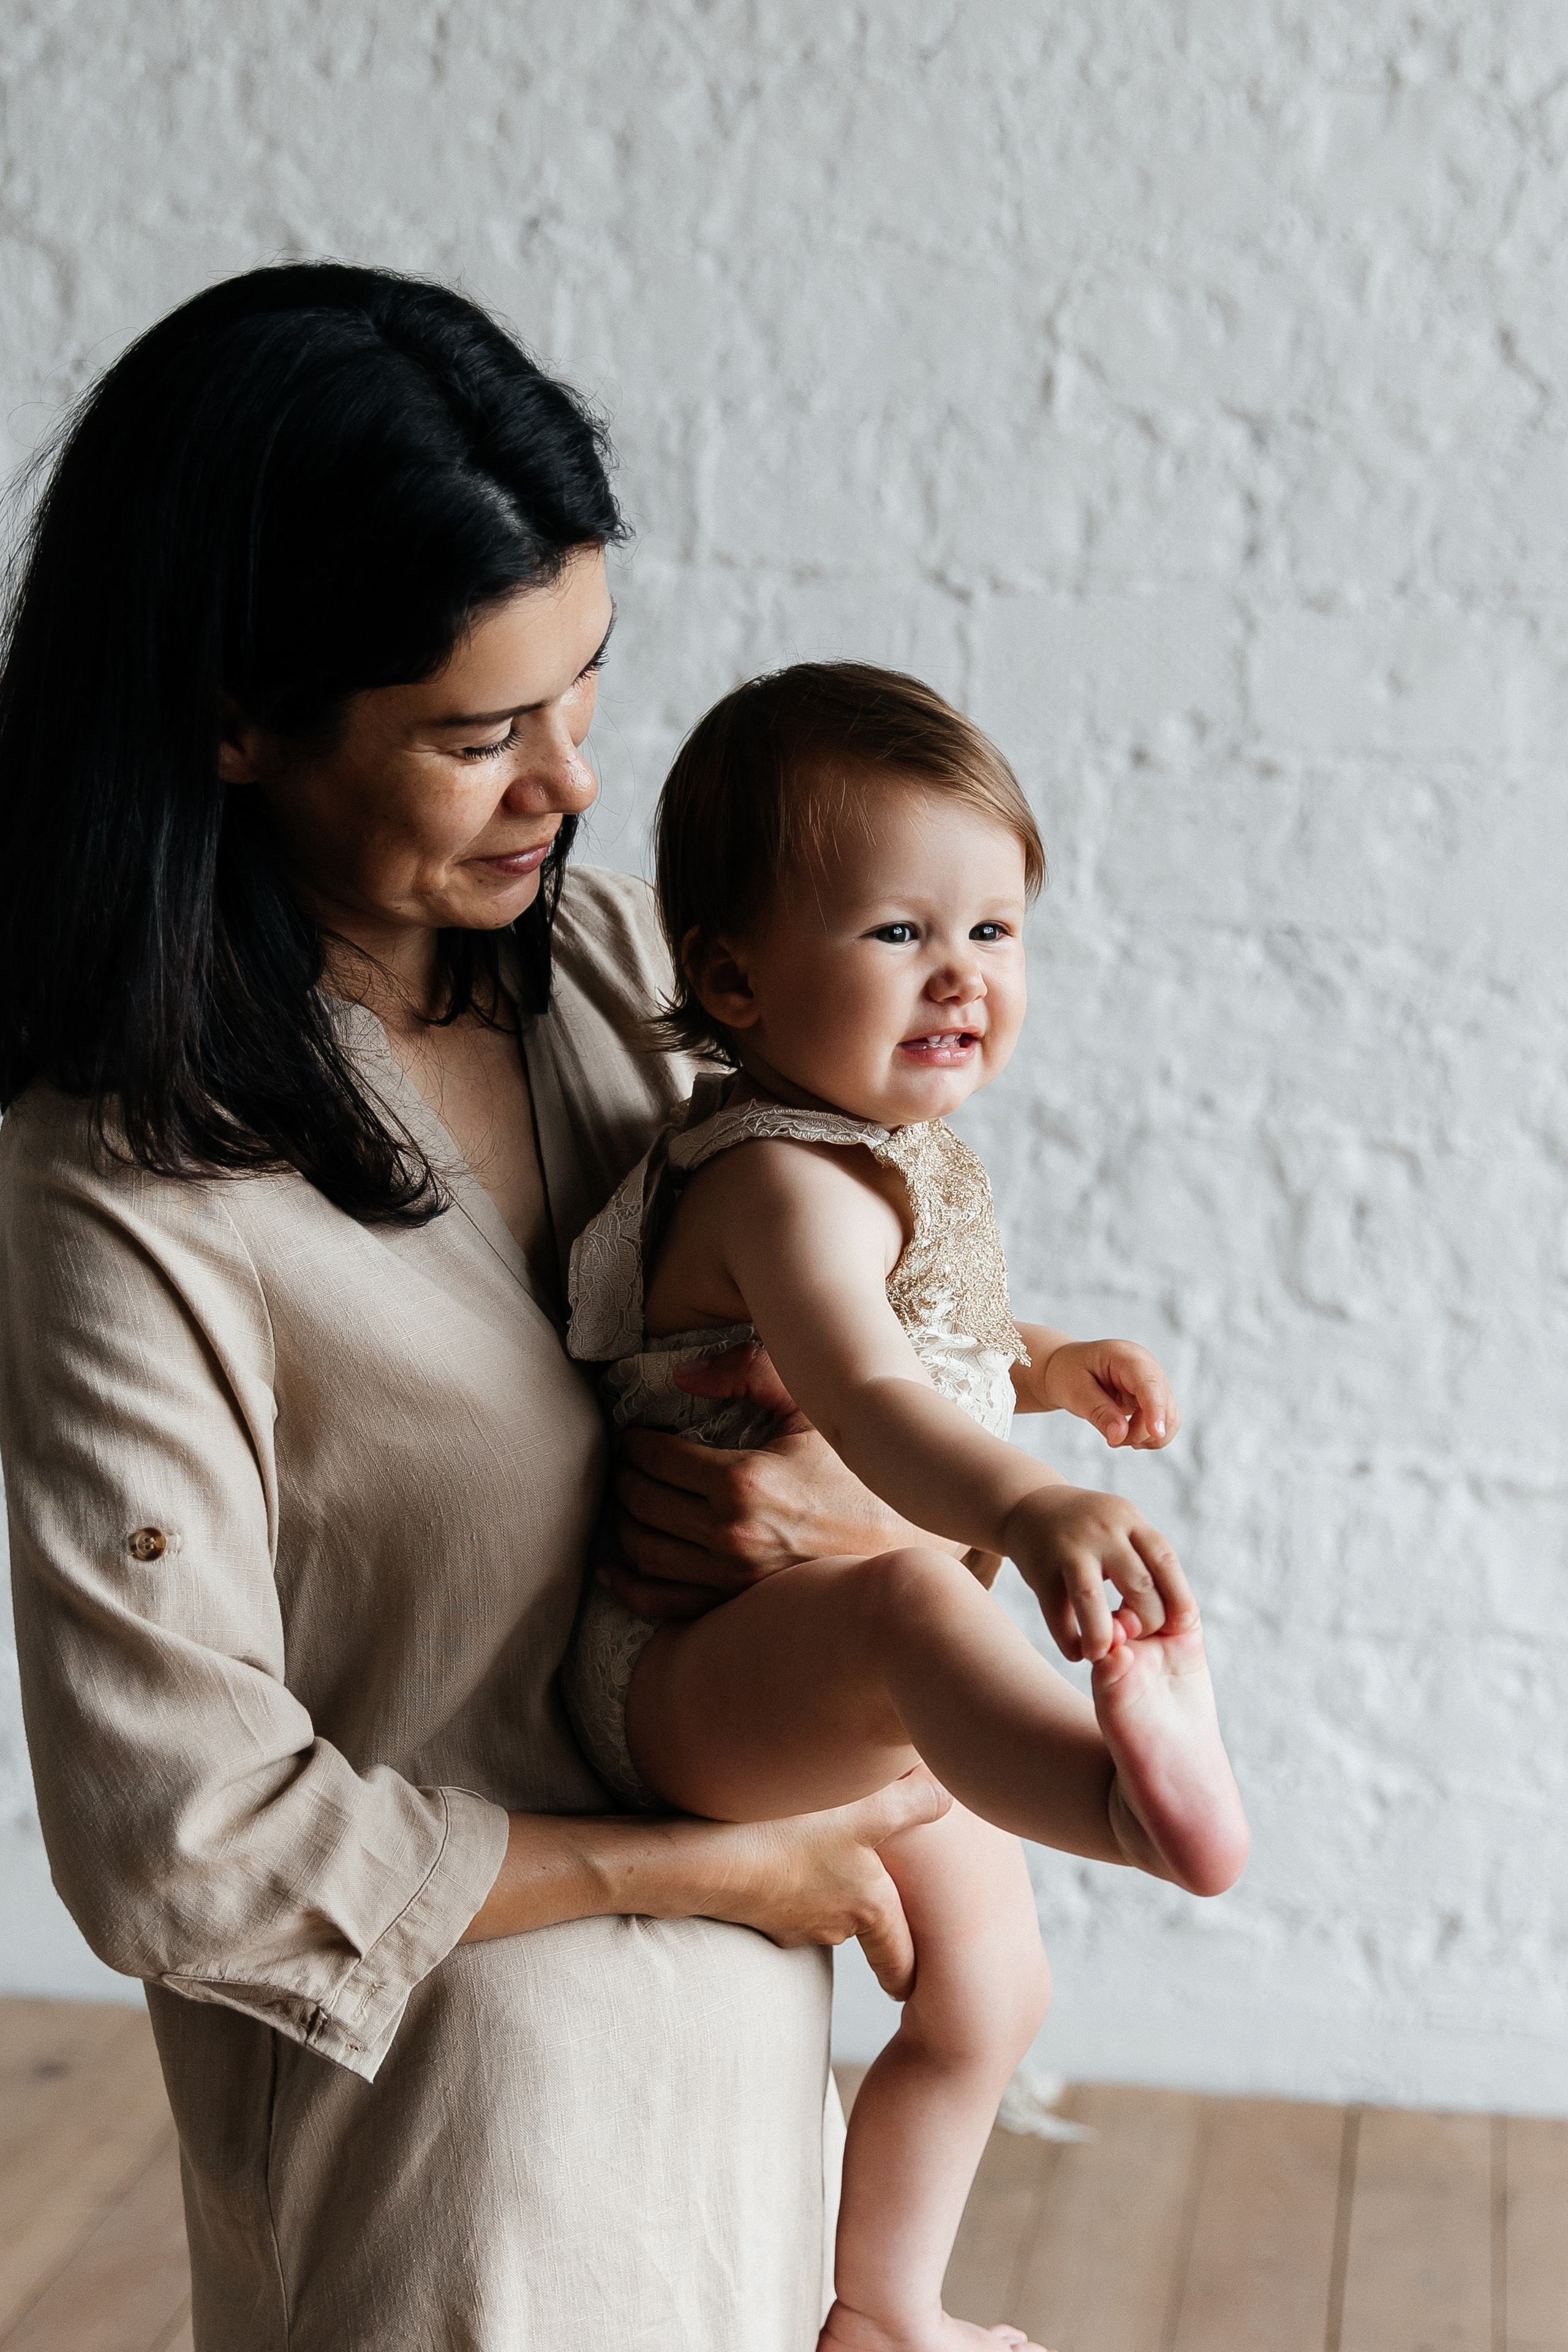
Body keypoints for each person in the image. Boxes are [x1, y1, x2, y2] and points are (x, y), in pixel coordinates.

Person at [0, 266, 960, 2352]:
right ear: (231, 720)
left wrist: (854, 1526)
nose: (572, 785)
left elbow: (902, 1361)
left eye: (586, 696)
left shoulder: (636, 976)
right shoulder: (125, 1186)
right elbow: (176, 1844)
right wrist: (687, 1870)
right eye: (476, 734)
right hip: (452, 2180)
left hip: (747, 2107)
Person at [560, 664, 1251, 2352]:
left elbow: (924, 1344)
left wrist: (1039, 1359)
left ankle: (889, 2308)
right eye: (895, 935)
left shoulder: (889, 1159)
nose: (960, 978)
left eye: (995, 934)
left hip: (840, 1693)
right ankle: (1126, 1801)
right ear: (733, 974)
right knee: (914, 1604)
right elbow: (862, 1391)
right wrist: (1025, 1508)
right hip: (688, 1676)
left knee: (991, 2002)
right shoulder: (776, 1180)